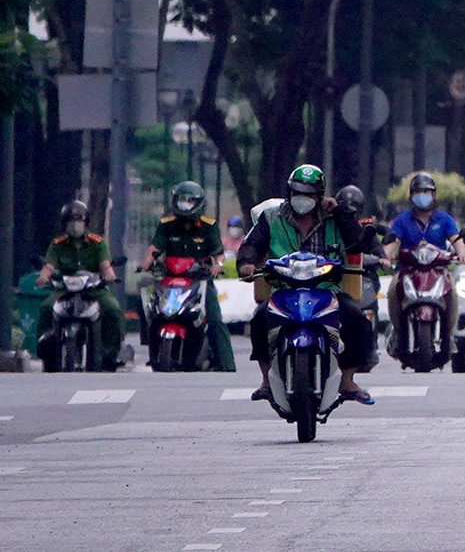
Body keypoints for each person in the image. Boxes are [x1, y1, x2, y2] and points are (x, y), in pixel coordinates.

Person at [236, 164, 374, 405]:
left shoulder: (335, 218)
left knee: (357, 320)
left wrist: (339, 212)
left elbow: (357, 242)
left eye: (309, 194)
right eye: (297, 193)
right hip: (284, 290)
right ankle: (266, 380)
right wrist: (246, 263)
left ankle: (347, 380)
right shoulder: (272, 217)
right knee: (259, 320)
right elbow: (252, 244)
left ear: (320, 195)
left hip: (327, 291)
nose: (302, 198)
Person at [138, 181, 234, 371]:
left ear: (199, 203)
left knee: (214, 319)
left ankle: (226, 364)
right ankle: (152, 349)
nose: (185, 204)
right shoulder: (166, 225)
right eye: (182, 200)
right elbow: (155, 247)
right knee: (150, 309)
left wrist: (218, 265)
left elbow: (218, 254)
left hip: (199, 280)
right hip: (170, 280)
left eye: (190, 201)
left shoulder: (208, 226)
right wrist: (147, 261)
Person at [380, 171, 465, 359]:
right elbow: (393, 241)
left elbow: (456, 238)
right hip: (407, 271)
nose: (423, 196)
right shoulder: (403, 220)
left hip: (438, 271)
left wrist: (462, 253)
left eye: (427, 192)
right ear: (411, 196)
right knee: (393, 291)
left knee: (452, 292)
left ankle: (449, 335)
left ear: (434, 195)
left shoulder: (444, 219)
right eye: (418, 192)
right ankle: (398, 332)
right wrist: (385, 256)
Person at [34, 200, 124, 370]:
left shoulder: (97, 243)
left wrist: (110, 275)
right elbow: (49, 266)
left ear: (85, 222)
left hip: (93, 289)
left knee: (112, 308)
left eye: (78, 220)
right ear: (64, 224)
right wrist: (43, 277)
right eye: (70, 221)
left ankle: (111, 353)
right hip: (65, 289)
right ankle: (46, 349)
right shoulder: (57, 245)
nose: (75, 225)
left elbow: (106, 266)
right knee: (46, 307)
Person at [335, 185, 385, 369]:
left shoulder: (365, 230)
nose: (349, 214)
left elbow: (378, 251)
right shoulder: (329, 228)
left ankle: (367, 347)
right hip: (335, 280)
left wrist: (381, 259)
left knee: (359, 315)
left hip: (362, 278)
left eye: (353, 209)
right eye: (345, 208)